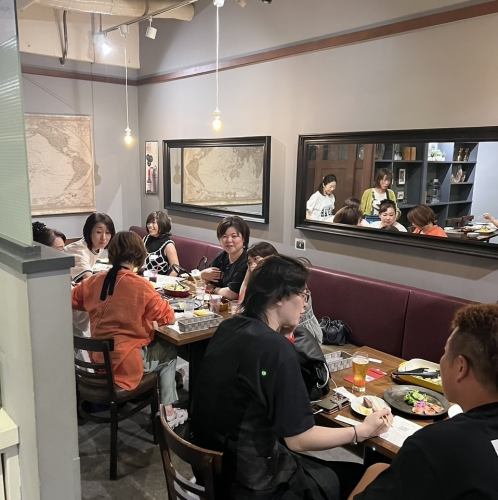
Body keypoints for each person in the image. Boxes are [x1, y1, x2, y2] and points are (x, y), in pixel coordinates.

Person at [192, 255, 391, 499]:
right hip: (251, 483)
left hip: (211, 468)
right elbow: (300, 439)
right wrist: (361, 431)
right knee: (372, 476)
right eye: (303, 294)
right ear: (278, 297)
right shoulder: (275, 349)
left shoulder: (229, 327)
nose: (305, 305)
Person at [349, 303, 498, 500]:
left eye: (445, 352)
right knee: (377, 468)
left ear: (461, 367)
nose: (442, 359)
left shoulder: (433, 445)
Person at [72, 231, 187, 427]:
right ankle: (168, 411)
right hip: (124, 365)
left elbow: (74, 299)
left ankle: (163, 406)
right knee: (168, 352)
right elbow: (167, 316)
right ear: (139, 255)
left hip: (99, 360)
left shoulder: (96, 280)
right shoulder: (140, 286)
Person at [238, 242, 323, 342]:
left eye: (256, 260)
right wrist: (249, 273)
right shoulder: (261, 282)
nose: (253, 266)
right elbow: (242, 302)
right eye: (249, 263)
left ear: (272, 261)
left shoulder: (287, 283)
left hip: (303, 333)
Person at [200, 216, 250, 300]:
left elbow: (233, 294)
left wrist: (214, 289)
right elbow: (207, 281)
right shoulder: (222, 256)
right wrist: (203, 275)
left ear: (244, 238)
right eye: (224, 236)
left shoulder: (247, 261)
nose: (229, 240)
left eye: (234, 236)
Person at [64, 212, 116, 282]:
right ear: (89, 232)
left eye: (107, 233)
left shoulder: (97, 246)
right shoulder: (80, 251)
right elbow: (90, 281)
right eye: (98, 232)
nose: (103, 238)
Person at [143, 211, 180, 276]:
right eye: (148, 223)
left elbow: (176, 269)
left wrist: (166, 281)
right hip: (142, 277)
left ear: (162, 224)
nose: (150, 225)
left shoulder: (168, 245)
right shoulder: (145, 239)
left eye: (153, 223)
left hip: (158, 280)